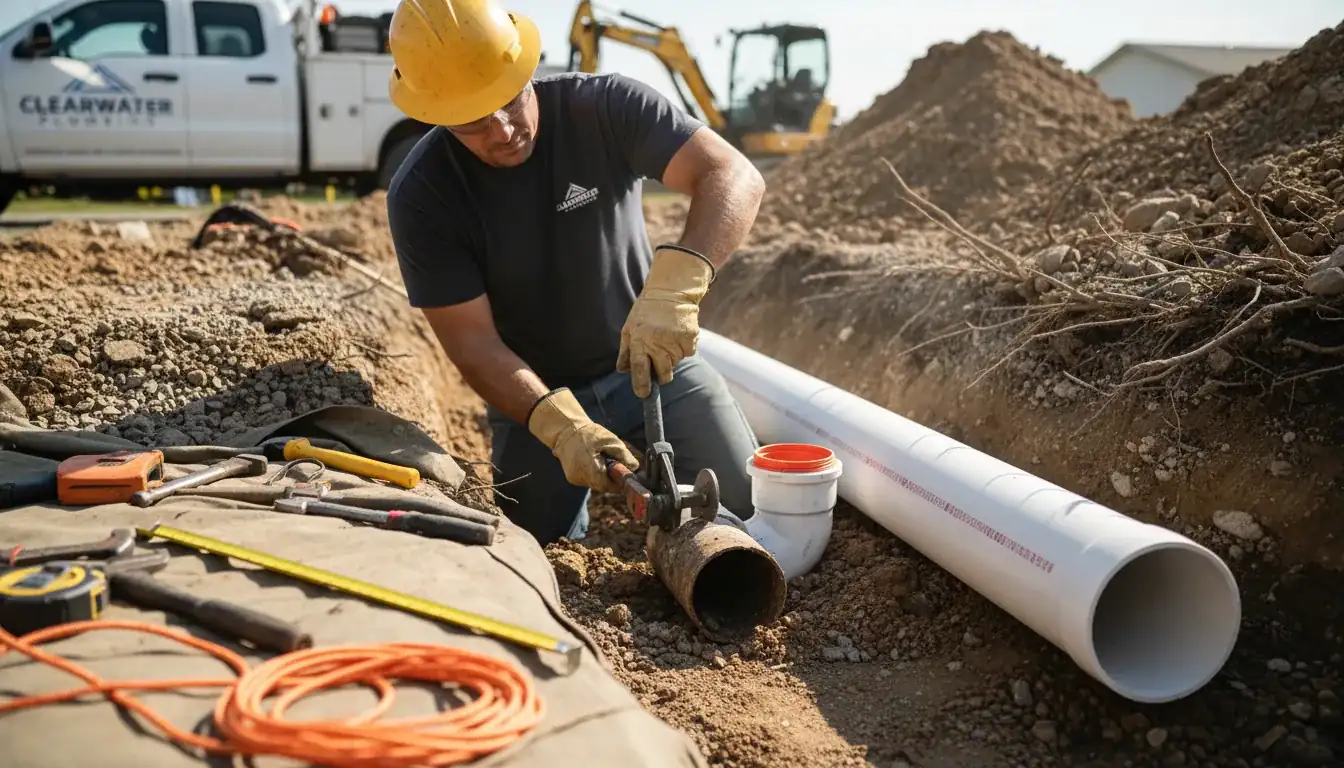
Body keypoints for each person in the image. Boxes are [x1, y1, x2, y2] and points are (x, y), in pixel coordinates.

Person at [382, 0, 766, 546]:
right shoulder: (424, 194)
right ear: (436, 114)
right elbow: (473, 345)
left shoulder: (603, 108)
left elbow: (732, 174)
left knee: (750, 504)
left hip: (650, 366)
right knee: (532, 549)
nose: (503, 129)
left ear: (527, 69)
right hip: (536, 397)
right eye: (473, 120)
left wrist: (678, 289)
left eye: (509, 99)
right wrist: (558, 426)